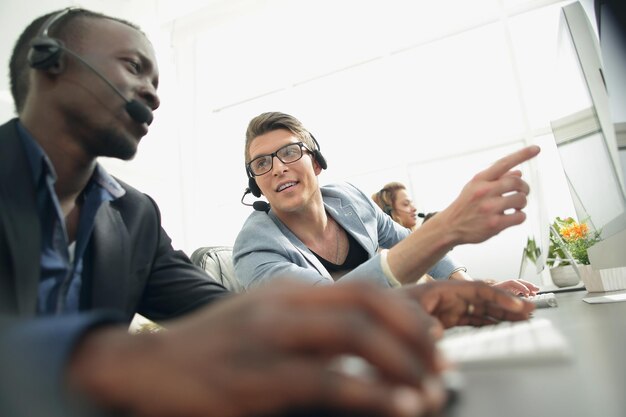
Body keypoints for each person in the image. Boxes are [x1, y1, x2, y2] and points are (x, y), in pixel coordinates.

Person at [1, 8, 535, 417]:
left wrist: (409, 301)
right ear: (50, 61)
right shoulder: (257, 238)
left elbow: (226, 317)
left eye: (157, 81)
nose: (152, 97)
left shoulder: (133, 216)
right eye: (134, 68)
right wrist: (108, 363)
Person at [233, 111, 541, 295]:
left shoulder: (350, 199)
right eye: (261, 164)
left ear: (317, 163)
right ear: (256, 184)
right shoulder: (254, 247)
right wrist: (446, 228)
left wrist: (469, 289)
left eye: (289, 152)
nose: (276, 168)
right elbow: (331, 304)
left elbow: (412, 242)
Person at [372, 182, 539, 295]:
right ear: (388, 213)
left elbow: (440, 272)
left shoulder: (412, 239)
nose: (414, 208)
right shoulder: (386, 256)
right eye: (406, 204)